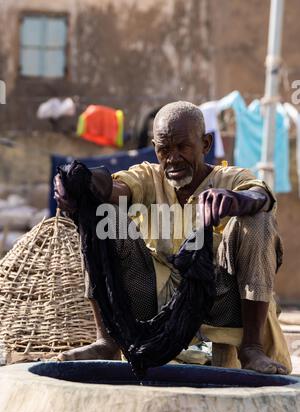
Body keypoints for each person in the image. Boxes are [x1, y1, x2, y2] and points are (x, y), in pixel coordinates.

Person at [54, 101, 291, 374]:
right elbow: (114, 187)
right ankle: (107, 341)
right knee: (99, 213)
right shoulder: (147, 177)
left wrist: (236, 200)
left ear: (205, 144)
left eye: (183, 147)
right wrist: (79, 180)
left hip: (218, 299)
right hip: (153, 300)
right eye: (164, 149)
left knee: (259, 219)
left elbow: (260, 195)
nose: (173, 157)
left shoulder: (230, 177)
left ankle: (251, 348)